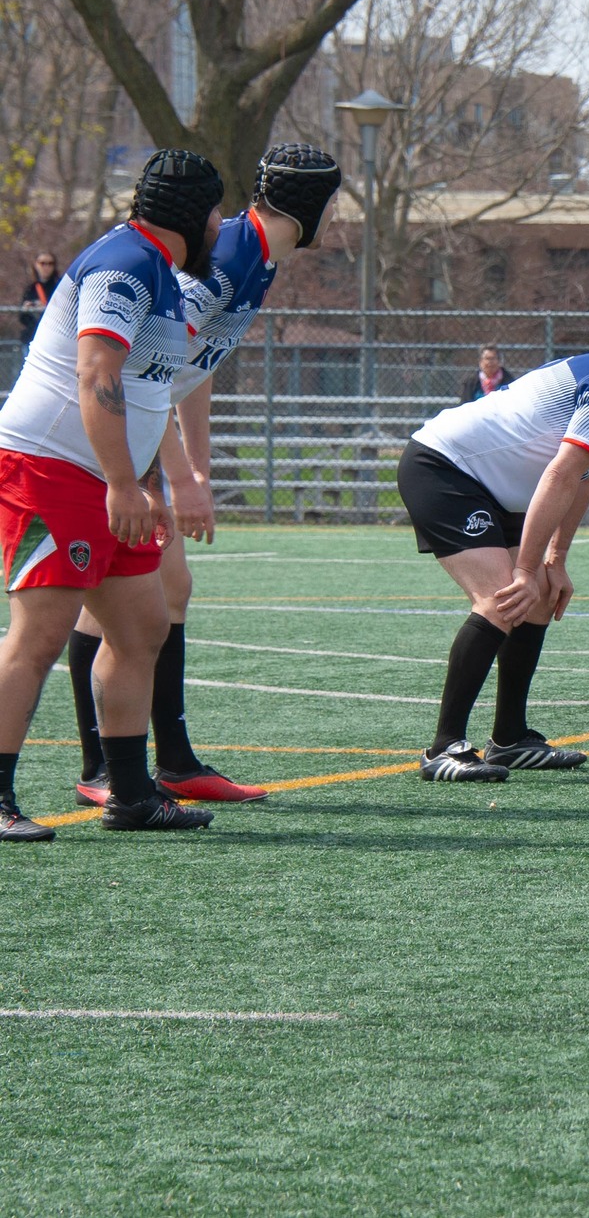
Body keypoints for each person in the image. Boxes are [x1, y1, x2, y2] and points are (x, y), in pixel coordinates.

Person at [71, 142, 342, 808]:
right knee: (118, 603)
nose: (337, 214)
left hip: (143, 432)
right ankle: (105, 766)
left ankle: (168, 760)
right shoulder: (229, 257)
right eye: (333, 201)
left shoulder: (258, 258)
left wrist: (198, 465)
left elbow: (196, 367)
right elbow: (145, 366)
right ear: (309, 205)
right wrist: (175, 478)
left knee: (162, 593)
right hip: (110, 436)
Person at [0, 150, 224, 841]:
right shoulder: (125, 264)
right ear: (192, 212)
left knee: (143, 627)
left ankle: (129, 792)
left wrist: (145, 483)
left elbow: (146, 388)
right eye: (217, 209)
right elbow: (97, 374)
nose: (223, 223)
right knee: (38, 635)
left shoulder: (153, 266)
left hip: (99, 475)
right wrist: (123, 482)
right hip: (52, 468)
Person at [401, 308, 589, 780]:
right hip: (443, 468)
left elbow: (583, 473)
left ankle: (509, 738)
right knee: (503, 598)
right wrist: (526, 569)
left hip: (485, 481)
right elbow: (560, 473)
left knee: (541, 595)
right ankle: (443, 747)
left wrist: (553, 560)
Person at [19, 250, 57, 349]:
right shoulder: (31, 288)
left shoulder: (59, 286)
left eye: (50, 263)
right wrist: (27, 309)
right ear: (36, 265)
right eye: (42, 263)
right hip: (32, 336)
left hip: (52, 336)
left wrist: (46, 306)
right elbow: (22, 319)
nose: (46, 267)